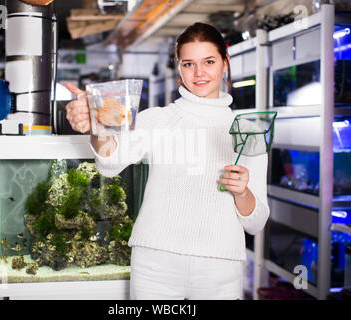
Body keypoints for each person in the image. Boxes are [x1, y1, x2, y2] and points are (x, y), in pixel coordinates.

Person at [65, 22, 270, 300]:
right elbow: (109, 163)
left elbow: (256, 223)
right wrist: (97, 126)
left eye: (208, 61)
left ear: (225, 62)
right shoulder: (156, 119)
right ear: (178, 67)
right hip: (155, 264)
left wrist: (242, 192)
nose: (199, 73)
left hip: (219, 267)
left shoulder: (248, 131)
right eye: (188, 64)